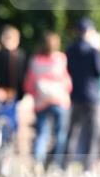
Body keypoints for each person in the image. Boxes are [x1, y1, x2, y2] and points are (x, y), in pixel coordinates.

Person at [23, 32, 72, 169]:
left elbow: (29, 83)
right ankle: (56, 163)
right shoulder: (61, 59)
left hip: (41, 102)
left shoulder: (35, 60)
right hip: (59, 101)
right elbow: (67, 81)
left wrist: (36, 95)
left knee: (42, 133)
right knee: (60, 134)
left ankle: (38, 161)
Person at [0, 24, 28, 177]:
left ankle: (2, 163)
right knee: (1, 132)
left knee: (5, 132)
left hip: (7, 97)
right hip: (2, 97)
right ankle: (0, 163)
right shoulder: (7, 55)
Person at [63, 18, 100, 172]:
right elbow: (99, 71)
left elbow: (69, 70)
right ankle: (87, 166)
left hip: (75, 94)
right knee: (91, 133)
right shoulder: (93, 51)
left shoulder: (70, 49)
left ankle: (65, 164)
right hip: (92, 96)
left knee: (72, 131)